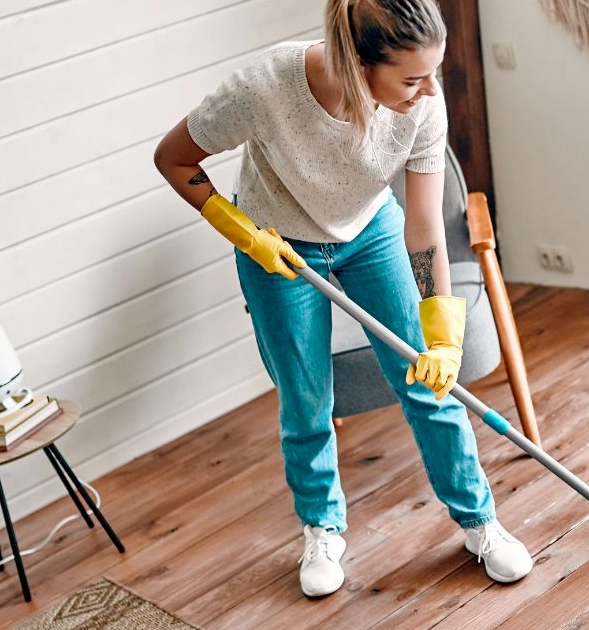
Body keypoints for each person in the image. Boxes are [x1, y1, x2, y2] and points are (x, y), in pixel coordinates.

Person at [153, 0, 533, 598]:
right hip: (274, 243)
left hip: (370, 231)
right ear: (358, 63)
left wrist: (441, 331)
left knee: (427, 384)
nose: (429, 91)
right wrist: (242, 231)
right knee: (305, 398)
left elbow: (426, 222)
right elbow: (173, 159)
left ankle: (480, 522)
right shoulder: (267, 84)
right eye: (412, 78)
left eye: (432, 73)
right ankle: (322, 528)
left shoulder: (421, 110)